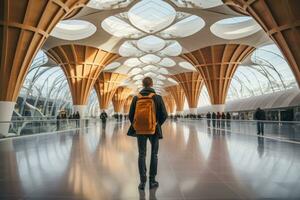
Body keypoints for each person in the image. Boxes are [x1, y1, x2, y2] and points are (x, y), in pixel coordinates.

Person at [127, 77, 168, 190]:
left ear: (142, 84)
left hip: (140, 130)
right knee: (154, 154)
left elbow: (130, 115)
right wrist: (156, 124)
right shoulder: (157, 97)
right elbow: (164, 115)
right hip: (153, 129)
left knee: (141, 154)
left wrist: (137, 125)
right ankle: (152, 180)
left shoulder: (136, 98)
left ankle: (142, 182)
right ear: (152, 84)